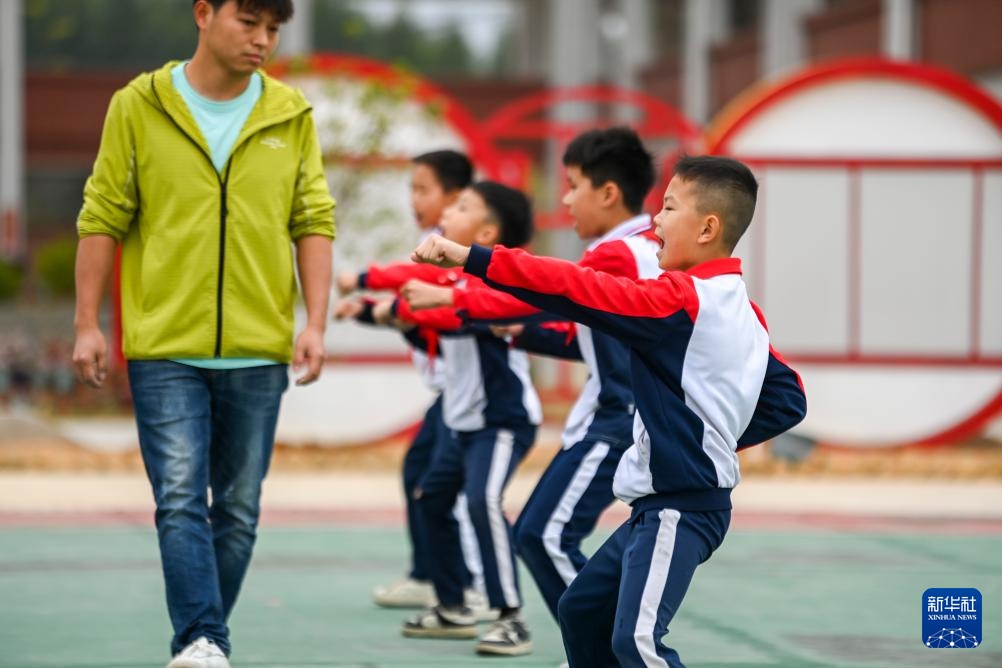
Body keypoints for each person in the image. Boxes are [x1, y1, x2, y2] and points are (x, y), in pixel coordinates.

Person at [410, 155, 807, 667]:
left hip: (681, 508)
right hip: (662, 505)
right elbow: (788, 398)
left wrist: (471, 258)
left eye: (668, 207)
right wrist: (709, 434)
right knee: (581, 611)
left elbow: (572, 287)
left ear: (708, 227)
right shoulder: (741, 308)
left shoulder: (679, 300)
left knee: (638, 645)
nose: (656, 220)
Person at [71, 1, 335, 667]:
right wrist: (87, 323)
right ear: (203, 13)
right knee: (181, 501)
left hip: (259, 346)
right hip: (165, 347)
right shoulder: (138, 104)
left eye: (274, 29)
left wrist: (317, 322)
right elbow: (102, 214)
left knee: (240, 511)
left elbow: (312, 220)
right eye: (249, 23)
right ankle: (203, 642)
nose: (263, 40)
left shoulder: (290, 113)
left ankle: (200, 641)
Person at [400, 127, 662, 627]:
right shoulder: (641, 250)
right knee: (539, 533)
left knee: (541, 535)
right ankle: (606, 647)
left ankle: (603, 652)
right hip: (622, 419)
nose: (564, 199)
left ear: (607, 194)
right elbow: (580, 335)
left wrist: (455, 298)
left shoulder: (616, 252)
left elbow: (554, 291)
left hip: (616, 422)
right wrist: (516, 330)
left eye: (573, 185)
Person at [378, 182, 540, 656]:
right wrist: (400, 316)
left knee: (481, 501)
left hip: (502, 421)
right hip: (462, 423)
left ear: (487, 232)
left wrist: (421, 305)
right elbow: (437, 329)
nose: (447, 210)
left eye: (462, 206)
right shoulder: (453, 285)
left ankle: (511, 617)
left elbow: (462, 317)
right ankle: (453, 605)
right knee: (430, 498)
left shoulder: (491, 285)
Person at [333, 150, 490, 612]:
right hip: (452, 390)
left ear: (457, 198)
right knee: (424, 477)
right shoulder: (438, 240)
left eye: (423, 190)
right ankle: (435, 576)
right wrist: (369, 312)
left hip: (473, 398)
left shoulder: (460, 250)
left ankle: (473, 587)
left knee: (457, 491)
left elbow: (420, 285)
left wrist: (364, 281)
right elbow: (423, 318)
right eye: (411, 189)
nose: (413, 200)